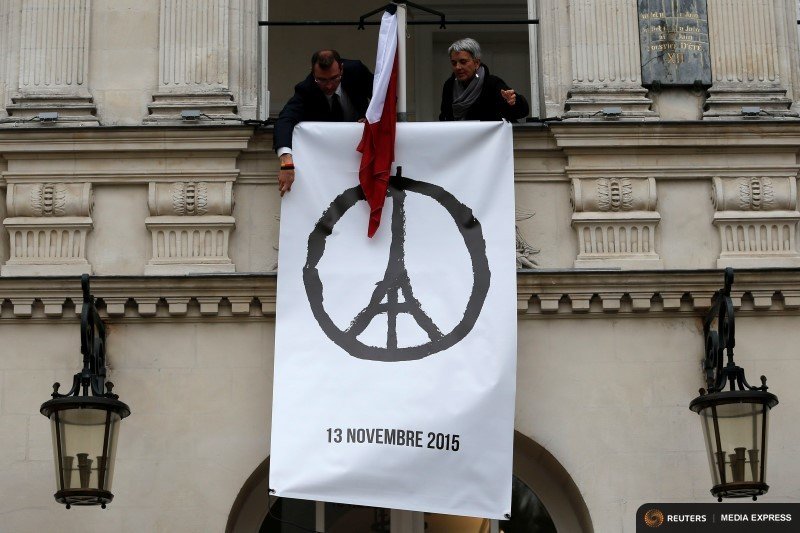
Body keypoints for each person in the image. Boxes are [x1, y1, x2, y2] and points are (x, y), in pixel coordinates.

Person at [274, 50, 374, 196]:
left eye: (334, 78)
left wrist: (373, 118)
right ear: (312, 73)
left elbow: (384, 97)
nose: (328, 86)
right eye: (321, 80)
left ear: (341, 69)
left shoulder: (356, 71)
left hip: (362, 153)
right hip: (328, 159)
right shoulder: (306, 89)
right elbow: (285, 120)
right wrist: (286, 163)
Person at [439, 38, 529, 122]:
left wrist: (513, 102)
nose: (458, 67)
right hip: (458, 137)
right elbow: (444, 117)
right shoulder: (449, 85)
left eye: (463, 62)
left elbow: (522, 112)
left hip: (488, 138)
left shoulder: (492, 84)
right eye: (454, 63)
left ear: (476, 63)